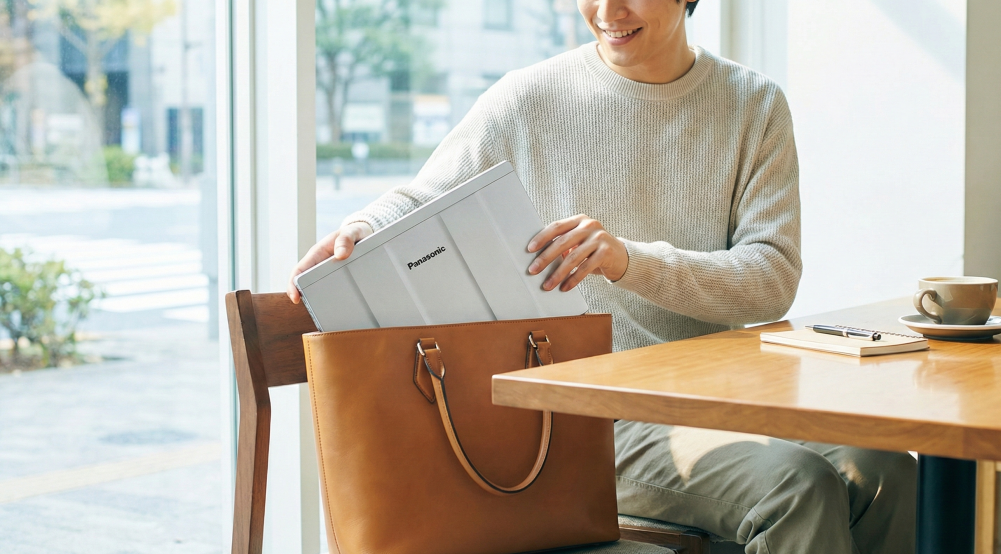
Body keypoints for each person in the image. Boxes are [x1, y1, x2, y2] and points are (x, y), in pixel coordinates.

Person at [288, 0, 917, 552]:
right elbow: (428, 195)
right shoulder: (529, 97)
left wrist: (629, 262)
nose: (609, 12)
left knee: (886, 470)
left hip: (721, 399)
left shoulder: (754, 105)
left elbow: (771, 278)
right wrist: (362, 227)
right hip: (586, 418)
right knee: (798, 487)